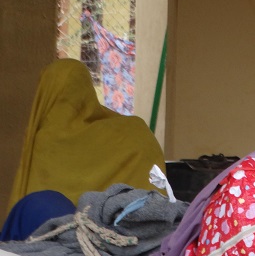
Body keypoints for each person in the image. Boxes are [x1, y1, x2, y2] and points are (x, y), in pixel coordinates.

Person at [7, 58, 166, 213]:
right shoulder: (134, 132)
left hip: (49, 235)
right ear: (87, 91)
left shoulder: (43, 142)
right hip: (125, 234)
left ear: (44, 92)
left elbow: (32, 208)